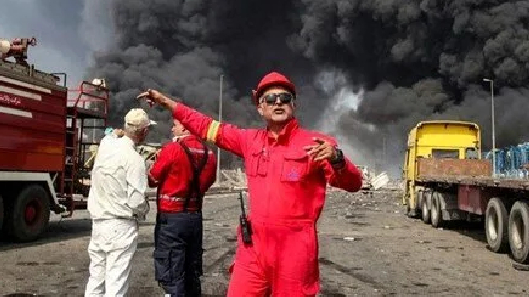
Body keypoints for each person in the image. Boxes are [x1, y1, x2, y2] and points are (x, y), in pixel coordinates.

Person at [138, 72, 363, 296]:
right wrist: (167, 103)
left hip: (294, 250)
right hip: (253, 248)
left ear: (293, 105)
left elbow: (353, 184)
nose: (278, 102)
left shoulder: (317, 144)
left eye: (284, 98)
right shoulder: (249, 141)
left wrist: (338, 159)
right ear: (260, 108)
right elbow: (207, 126)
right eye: (270, 98)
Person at [84, 108, 156, 297]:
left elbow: (111, 134)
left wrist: (118, 132)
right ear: (144, 132)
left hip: (99, 223)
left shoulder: (106, 145)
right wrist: (145, 207)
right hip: (121, 225)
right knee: (116, 283)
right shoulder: (134, 160)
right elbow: (137, 202)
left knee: (95, 280)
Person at [148, 118, 218, 296]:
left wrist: (155, 162)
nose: (172, 129)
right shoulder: (209, 154)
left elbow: (153, 178)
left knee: (173, 271)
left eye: (175, 125)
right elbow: (209, 181)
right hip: (194, 217)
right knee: (191, 269)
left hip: (171, 218)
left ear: (185, 127)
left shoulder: (172, 149)